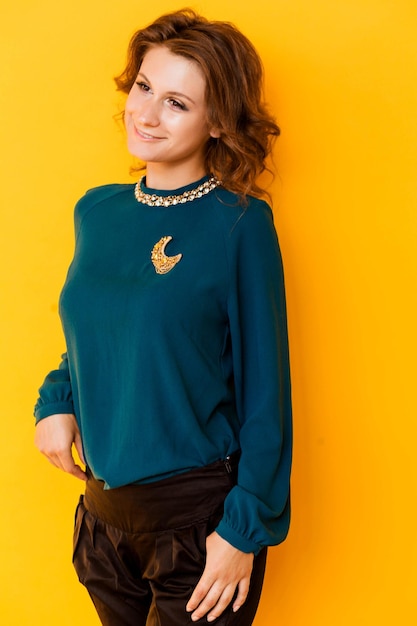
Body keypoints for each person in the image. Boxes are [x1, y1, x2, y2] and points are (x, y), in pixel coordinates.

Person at [34, 9, 292, 626]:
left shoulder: (239, 223)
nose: (145, 114)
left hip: (196, 525)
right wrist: (56, 400)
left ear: (217, 122)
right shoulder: (97, 212)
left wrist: (243, 530)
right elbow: (95, 336)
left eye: (177, 102)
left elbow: (266, 387)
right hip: (102, 522)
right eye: (144, 87)